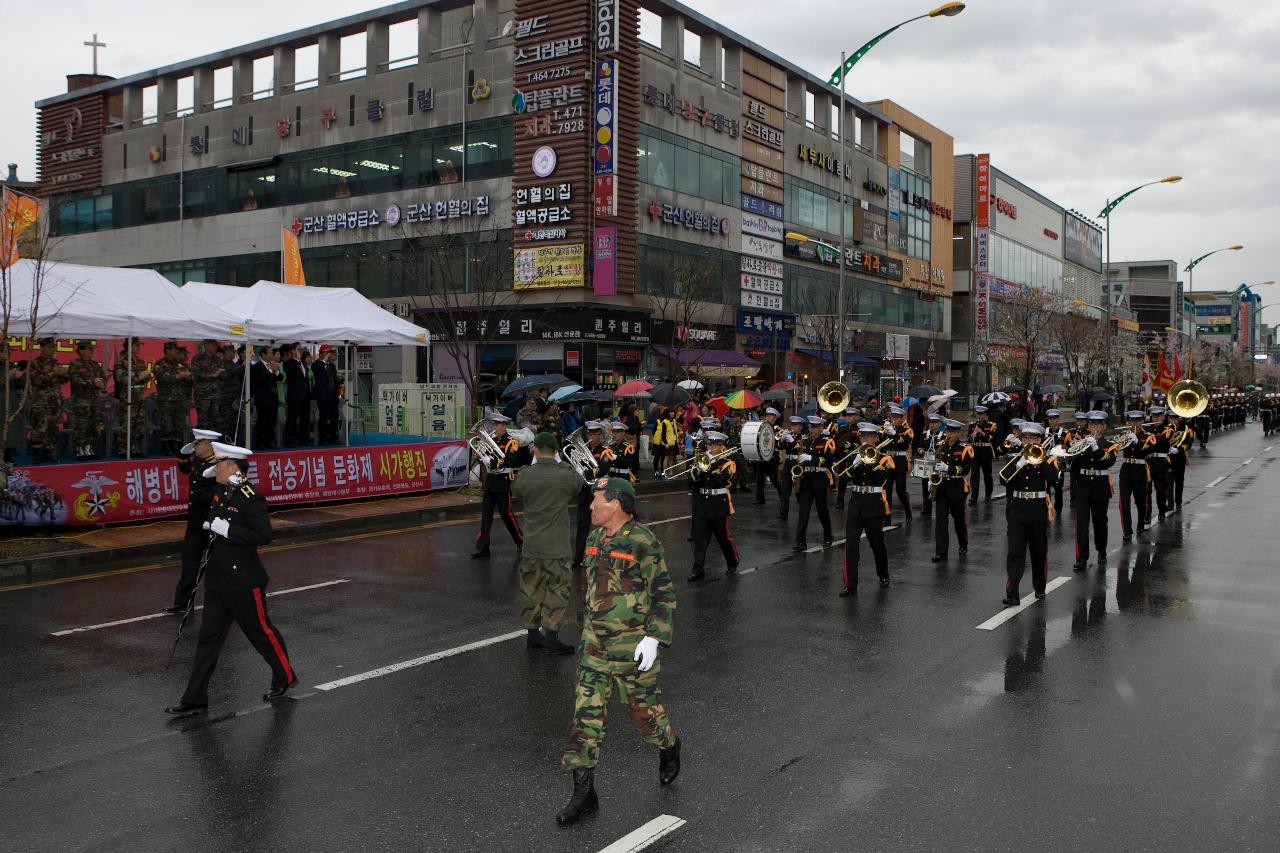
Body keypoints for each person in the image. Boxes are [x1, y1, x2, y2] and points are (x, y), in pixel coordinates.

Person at [556, 477, 680, 826]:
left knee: (645, 717)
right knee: (586, 716)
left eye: (597, 500)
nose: (591, 506)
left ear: (616, 504)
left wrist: (653, 638)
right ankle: (584, 792)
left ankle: (669, 746)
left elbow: (664, 595)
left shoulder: (644, 542)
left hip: (632, 649)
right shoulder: (595, 538)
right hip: (595, 645)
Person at [165, 442, 296, 717]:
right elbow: (208, 509)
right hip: (218, 581)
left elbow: (263, 535)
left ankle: (285, 676)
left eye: (219, 465)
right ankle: (195, 698)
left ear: (232, 466)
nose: (216, 469)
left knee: (261, 633)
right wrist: (212, 527)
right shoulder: (222, 492)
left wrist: (228, 529)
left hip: (243, 582)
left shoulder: (250, 497)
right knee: (208, 640)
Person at [511, 432, 586, 654]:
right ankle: (551, 637)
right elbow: (579, 484)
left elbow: (516, 490)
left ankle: (532, 635)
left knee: (530, 589)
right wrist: (561, 464)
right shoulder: (564, 475)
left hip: (532, 545)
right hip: (557, 546)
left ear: (535, 450)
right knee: (557, 590)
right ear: (555, 452)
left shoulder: (525, 475)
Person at [999, 422, 1061, 605]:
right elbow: (1003, 479)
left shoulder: (1048, 459)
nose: (1028, 441)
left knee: (1038, 551)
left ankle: (1039, 587)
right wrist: (1019, 463)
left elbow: (1054, 480)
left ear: (1039, 440)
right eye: (1025, 437)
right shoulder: (1016, 458)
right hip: (1017, 509)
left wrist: (1039, 460)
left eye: (1032, 438)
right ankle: (1012, 593)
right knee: (1015, 552)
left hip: (1038, 510)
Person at [166, 429, 223, 614]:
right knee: (190, 562)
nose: (196, 446)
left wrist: (203, 497)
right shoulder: (200, 461)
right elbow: (185, 469)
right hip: (195, 522)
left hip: (213, 522)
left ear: (209, 444)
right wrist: (181, 455)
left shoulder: (221, 464)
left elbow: (221, 492)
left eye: (198, 443)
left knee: (218, 565)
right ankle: (183, 603)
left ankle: (224, 603)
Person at [838, 422, 894, 596]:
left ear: (876, 438)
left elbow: (882, 476)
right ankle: (850, 584)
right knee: (851, 545)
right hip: (856, 502)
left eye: (869, 436)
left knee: (876, 543)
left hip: (873, 503)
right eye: (862, 437)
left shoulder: (883, 457)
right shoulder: (854, 456)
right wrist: (854, 463)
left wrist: (868, 461)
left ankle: (883, 573)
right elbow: (843, 478)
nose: (865, 440)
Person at [471, 413, 528, 558]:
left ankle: (521, 542)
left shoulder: (511, 441)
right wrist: (482, 456)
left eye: (499, 425)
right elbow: (484, 456)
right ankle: (482, 547)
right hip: (491, 481)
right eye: (495, 425)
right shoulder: (492, 440)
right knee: (486, 516)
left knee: (507, 515)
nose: (496, 428)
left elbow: (510, 460)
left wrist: (491, 462)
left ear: (504, 426)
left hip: (503, 481)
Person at [687, 431, 739, 582]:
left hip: (718, 503)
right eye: (709, 444)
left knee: (723, 537)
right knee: (700, 538)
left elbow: (720, 481)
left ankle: (732, 561)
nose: (710, 448)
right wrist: (697, 468)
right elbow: (691, 482)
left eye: (714, 445)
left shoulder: (728, 463)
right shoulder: (702, 460)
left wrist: (707, 466)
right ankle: (698, 568)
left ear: (721, 446)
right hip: (703, 502)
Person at [1069, 411, 1117, 572]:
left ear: (1103, 427)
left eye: (1098, 424)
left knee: (1100, 522)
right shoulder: (1081, 442)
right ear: (1088, 426)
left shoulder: (1109, 444)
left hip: (1100, 487)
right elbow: (1072, 465)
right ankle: (1081, 557)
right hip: (1082, 487)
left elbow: (1108, 462)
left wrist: (1095, 447)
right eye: (1092, 424)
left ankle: (1101, 550)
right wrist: (1073, 450)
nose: (1094, 427)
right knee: (1082, 523)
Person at [571, 421, 615, 567]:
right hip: (585, 491)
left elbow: (602, 469)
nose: (592, 436)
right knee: (582, 525)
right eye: (590, 434)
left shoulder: (605, 451)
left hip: (599, 492)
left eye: (595, 434)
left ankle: (599, 555)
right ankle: (577, 557)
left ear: (600, 435)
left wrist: (586, 471)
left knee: (601, 526)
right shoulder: (582, 450)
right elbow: (574, 463)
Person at [931, 419, 974, 563]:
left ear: (958, 433)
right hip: (942, 488)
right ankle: (941, 553)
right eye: (948, 431)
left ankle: (963, 543)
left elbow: (966, 469)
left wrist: (948, 468)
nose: (950, 434)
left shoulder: (965, 448)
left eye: (953, 432)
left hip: (957, 488)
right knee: (941, 521)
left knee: (959, 520)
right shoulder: (941, 447)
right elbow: (936, 464)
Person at [792, 415, 835, 551]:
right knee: (803, 511)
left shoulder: (827, 441)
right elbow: (797, 453)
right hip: (806, 479)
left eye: (815, 427)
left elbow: (828, 460)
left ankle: (828, 536)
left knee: (822, 510)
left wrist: (811, 457)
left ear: (821, 428)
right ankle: (800, 541)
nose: (812, 429)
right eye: (811, 426)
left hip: (820, 479)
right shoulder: (805, 441)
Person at [26, 337, 67, 463]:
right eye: (49, 347)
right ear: (42, 348)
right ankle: (37, 452)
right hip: (40, 403)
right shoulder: (34, 363)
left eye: (53, 347)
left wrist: (63, 374)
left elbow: (63, 381)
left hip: (54, 402)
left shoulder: (55, 362)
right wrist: (53, 373)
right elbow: (37, 380)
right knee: (39, 428)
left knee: (53, 428)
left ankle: (50, 451)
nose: (52, 349)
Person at [67, 341, 106, 461]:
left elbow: (103, 379)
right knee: (81, 426)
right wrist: (92, 382)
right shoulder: (75, 364)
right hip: (81, 402)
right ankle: (80, 450)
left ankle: (89, 449)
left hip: (95, 401)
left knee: (94, 425)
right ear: (81, 350)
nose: (91, 351)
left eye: (92, 349)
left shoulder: (95, 365)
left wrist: (101, 383)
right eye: (89, 349)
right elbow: (74, 380)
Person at [1117, 410, 1152, 542]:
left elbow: (1150, 449)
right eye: (1132, 421)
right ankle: (1127, 531)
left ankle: (1140, 524)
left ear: (1142, 421)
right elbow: (1116, 447)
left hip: (1140, 471)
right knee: (1124, 504)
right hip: (1125, 471)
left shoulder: (1147, 436)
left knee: (1141, 503)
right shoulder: (1124, 434)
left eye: (1137, 420)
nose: (1135, 423)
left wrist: (1138, 442)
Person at [152, 341, 192, 456]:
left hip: (180, 400)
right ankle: (167, 445)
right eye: (174, 349)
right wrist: (178, 376)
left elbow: (188, 378)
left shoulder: (180, 364)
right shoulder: (160, 364)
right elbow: (161, 378)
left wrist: (188, 377)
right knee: (167, 425)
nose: (176, 352)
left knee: (178, 424)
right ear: (168, 350)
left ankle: (176, 444)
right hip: (166, 401)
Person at [112, 342, 152, 457]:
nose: (138, 347)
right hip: (128, 396)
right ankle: (123, 448)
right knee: (127, 422)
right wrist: (137, 377)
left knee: (139, 423)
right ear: (129, 346)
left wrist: (143, 377)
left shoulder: (139, 362)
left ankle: (135, 446)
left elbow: (146, 377)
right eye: (136, 345)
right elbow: (121, 379)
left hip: (139, 395)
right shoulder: (121, 363)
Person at [1142, 405, 1173, 525]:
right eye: (1154, 416)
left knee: (1160, 489)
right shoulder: (1146, 429)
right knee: (1147, 491)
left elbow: (1163, 440)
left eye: (1159, 415)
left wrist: (1148, 437)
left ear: (1163, 416)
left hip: (1161, 463)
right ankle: (1147, 515)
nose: (1156, 418)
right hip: (1148, 463)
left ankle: (1161, 510)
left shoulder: (1168, 428)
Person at [883, 405, 913, 520]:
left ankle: (908, 511)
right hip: (888, 461)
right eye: (892, 417)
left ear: (902, 418)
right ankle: (887, 516)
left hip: (900, 463)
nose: (894, 420)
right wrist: (885, 432)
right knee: (887, 490)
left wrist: (894, 434)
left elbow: (904, 443)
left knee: (900, 490)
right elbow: (880, 442)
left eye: (896, 418)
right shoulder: (886, 429)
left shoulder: (907, 431)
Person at [191, 340, 225, 435]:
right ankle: (202, 445)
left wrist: (221, 374)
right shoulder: (198, 359)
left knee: (216, 421)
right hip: (203, 396)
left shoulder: (218, 360)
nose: (215, 347)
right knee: (203, 422)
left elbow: (223, 375)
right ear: (206, 346)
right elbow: (196, 375)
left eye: (216, 345)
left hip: (216, 396)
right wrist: (213, 375)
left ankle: (214, 445)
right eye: (213, 345)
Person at [753, 407, 784, 506]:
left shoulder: (778, 429)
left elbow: (779, 444)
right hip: (761, 456)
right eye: (767, 415)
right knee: (759, 479)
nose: (768, 417)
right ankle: (760, 498)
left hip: (772, 457)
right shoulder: (761, 427)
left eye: (770, 416)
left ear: (775, 418)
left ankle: (782, 495)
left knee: (774, 479)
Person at [251, 347, 280, 449]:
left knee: (271, 421)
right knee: (262, 420)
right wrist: (271, 371)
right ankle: (260, 442)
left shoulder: (272, 365)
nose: (272, 355)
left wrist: (276, 371)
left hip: (273, 398)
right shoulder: (256, 367)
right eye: (270, 353)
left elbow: (278, 378)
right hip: (262, 398)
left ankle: (269, 441)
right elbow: (260, 379)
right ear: (263, 355)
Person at [967, 406, 996, 504]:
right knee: (974, 474)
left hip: (986, 451)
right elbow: (968, 440)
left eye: (981, 414)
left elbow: (992, 439)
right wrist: (972, 436)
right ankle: (974, 497)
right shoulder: (972, 425)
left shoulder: (992, 425)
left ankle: (988, 494)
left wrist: (982, 432)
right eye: (978, 414)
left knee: (987, 474)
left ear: (986, 415)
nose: (979, 416)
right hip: (975, 451)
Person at [776, 415, 803, 521]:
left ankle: (803, 510)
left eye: (795, 425)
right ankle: (783, 513)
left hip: (797, 465)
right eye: (792, 425)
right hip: (788, 465)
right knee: (785, 491)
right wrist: (782, 439)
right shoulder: (789, 436)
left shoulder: (804, 437)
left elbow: (800, 448)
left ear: (800, 427)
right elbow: (779, 447)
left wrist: (791, 440)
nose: (792, 427)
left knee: (798, 490)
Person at [311, 345, 340, 444]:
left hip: (333, 395)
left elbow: (334, 379)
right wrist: (324, 361)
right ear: (322, 354)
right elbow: (316, 371)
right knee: (323, 417)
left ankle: (333, 436)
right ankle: (322, 438)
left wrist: (339, 381)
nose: (329, 355)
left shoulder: (331, 365)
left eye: (330, 353)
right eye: (327, 353)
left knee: (334, 417)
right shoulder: (317, 364)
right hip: (323, 395)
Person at [282, 343, 309, 447]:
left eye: (302, 349)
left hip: (305, 395)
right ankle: (290, 440)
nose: (301, 351)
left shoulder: (302, 363)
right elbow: (289, 372)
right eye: (299, 349)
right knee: (292, 418)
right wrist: (296, 360)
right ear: (293, 351)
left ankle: (303, 438)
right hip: (294, 395)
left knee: (305, 418)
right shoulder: (289, 362)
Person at [1167, 412, 1189, 509]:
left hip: (1179, 458)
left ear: (1178, 419)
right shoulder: (1166, 429)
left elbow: (1188, 443)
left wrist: (1178, 450)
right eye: (1171, 418)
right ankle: (1170, 503)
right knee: (1169, 481)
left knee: (1179, 481)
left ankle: (1178, 501)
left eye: (1175, 418)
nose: (1173, 421)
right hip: (1168, 459)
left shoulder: (1185, 428)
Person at [651, 408, 679, 476]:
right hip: (659, 442)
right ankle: (657, 471)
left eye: (673, 412)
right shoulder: (660, 421)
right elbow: (654, 431)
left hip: (670, 442)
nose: (672, 414)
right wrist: (662, 441)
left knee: (667, 457)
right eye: (670, 412)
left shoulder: (672, 421)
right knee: (658, 457)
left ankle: (665, 472)